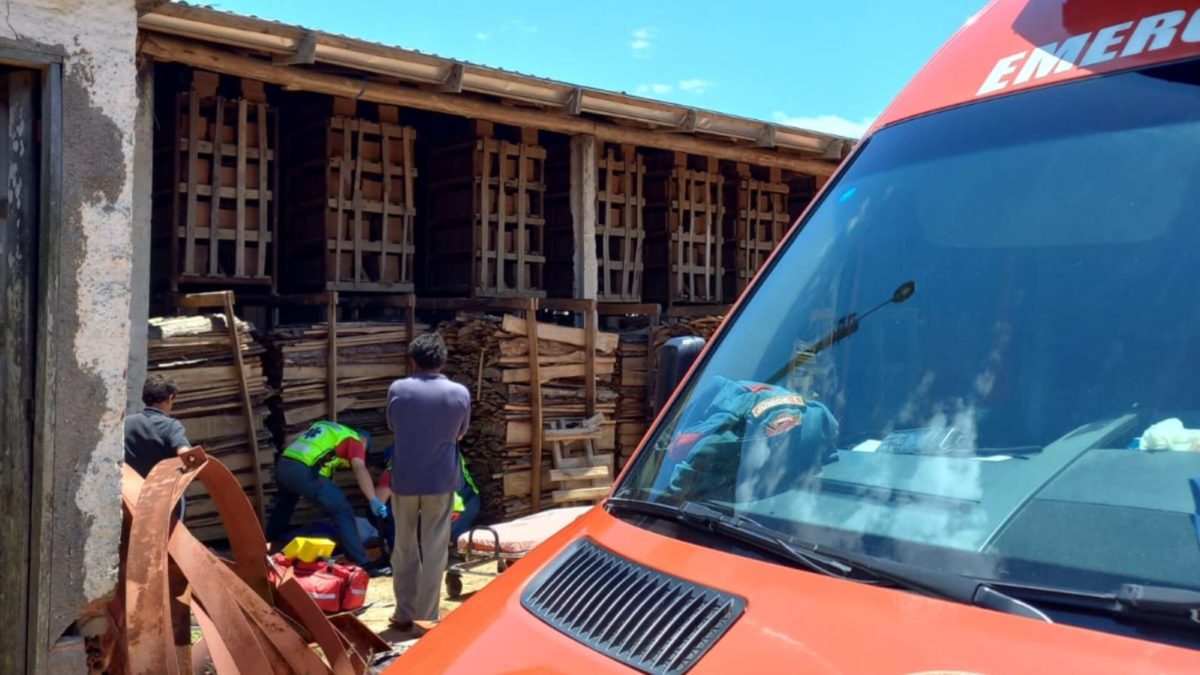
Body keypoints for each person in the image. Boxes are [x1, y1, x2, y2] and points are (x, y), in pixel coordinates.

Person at [386, 332, 471, 633]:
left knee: (403, 545)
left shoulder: (397, 389)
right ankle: (427, 616)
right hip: (441, 479)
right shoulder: (459, 393)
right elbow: (460, 434)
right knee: (435, 547)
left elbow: (392, 425)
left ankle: (403, 613)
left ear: (413, 360)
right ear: (443, 360)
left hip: (405, 478)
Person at [265, 420, 389, 571]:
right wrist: (373, 499)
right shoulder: (355, 440)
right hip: (303, 470)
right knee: (342, 510)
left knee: (285, 503)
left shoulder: (328, 428)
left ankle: (270, 543)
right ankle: (361, 562)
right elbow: (359, 468)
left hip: (283, 465)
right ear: (364, 441)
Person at [373, 450, 481, 551]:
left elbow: (379, 499)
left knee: (382, 513)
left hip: (455, 507)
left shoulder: (399, 466)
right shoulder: (443, 450)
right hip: (469, 500)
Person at [124, 374, 192, 516]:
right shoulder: (171, 426)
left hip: (131, 497)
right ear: (170, 398)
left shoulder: (126, 423)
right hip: (165, 500)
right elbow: (185, 453)